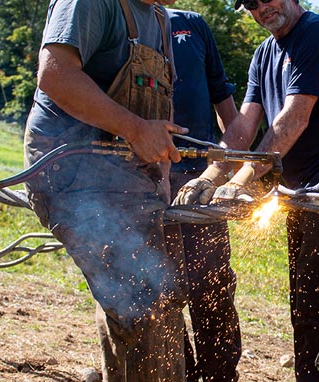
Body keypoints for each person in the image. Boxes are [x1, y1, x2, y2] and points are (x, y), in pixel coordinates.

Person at [174, 0, 319, 380]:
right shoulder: (264, 54)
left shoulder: (318, 33)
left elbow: (293, 118)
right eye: (250, 4)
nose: (260, 8)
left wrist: (242, 181)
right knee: (305, 311)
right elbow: (244, 125)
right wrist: (211, 175)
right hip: (304, 199)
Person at [22, 0, 190, 380]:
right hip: (72, 168)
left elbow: (159, 112)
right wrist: (133, 129)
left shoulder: (160, 20)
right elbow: (55, 74)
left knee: (152, 300)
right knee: (145, 298)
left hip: (129, 177)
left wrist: (161, 175)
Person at [167, 9, 241, 382]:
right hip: (143, 178)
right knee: (157, 285)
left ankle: (220, 374)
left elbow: (225, 105)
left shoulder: (192, 25)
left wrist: (239, 167)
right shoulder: (115, 20)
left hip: (201, 180)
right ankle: (178, 371)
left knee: (212, 283)